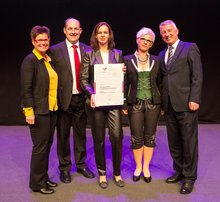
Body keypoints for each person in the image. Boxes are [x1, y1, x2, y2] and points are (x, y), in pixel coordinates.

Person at [158, 19, 203, 194]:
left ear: (177, 31)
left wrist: (195, 98)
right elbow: (163, 80)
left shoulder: (190, 48)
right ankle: (179, 171)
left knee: (189, 142)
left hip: (186, 104)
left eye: (170, 31)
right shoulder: (162, 54)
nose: (167, 34)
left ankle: (189, 178)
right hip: (169, 105)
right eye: (163, 32)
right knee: (174, 142)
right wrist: (163, 103)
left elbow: (197, 76)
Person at [49, 18, 95, 183]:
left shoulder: (89, 50)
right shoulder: (54, 50)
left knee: (81, 134)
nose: (73, 31)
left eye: (76, 29)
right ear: (64, 30)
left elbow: (96, 72)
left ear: (81, 31)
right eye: (70, 28)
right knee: (63, 135)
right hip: (63, 100)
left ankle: (81, 164)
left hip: (82, 100)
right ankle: (65, 167)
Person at [80, 21, 125, 189]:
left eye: (106, 32)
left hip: (113, 101)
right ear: (96, 35)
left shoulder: (118, 54)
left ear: (110, 35)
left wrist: (123, 73)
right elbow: (84, 79)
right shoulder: (89, 54)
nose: (103, 35)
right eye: (100, 32)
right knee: (98, 139)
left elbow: (122, 80)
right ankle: (102, 173)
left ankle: (117, 173)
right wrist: (92, 93)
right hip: (96, 102)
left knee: (116, 137)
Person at [20, 25, 58, 194]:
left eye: (45, 39)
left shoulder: (47, 60)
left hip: (51, 110)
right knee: (40, 147)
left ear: (49, 40)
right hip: (38, 111)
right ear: (33, 41)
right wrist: (29, 111)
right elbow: (26, 89)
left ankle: (43, 177)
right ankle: (37, 183)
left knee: (47, 145)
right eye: (39, 40)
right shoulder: (30, 60)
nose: (43, 42)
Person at [123, 27, 161, 183]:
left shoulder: (157, 60)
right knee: (136, 137)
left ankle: (146, 167)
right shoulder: (126, 59)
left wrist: (162, 104)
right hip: (135, 103)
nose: (145, 42)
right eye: (143, 39)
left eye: (149, 40)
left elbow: (161, 83)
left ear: (151, 44)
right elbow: (123, 83)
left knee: (150, 136)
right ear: (137, 40)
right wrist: (124, 104)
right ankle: (138, 166)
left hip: (153, 104)